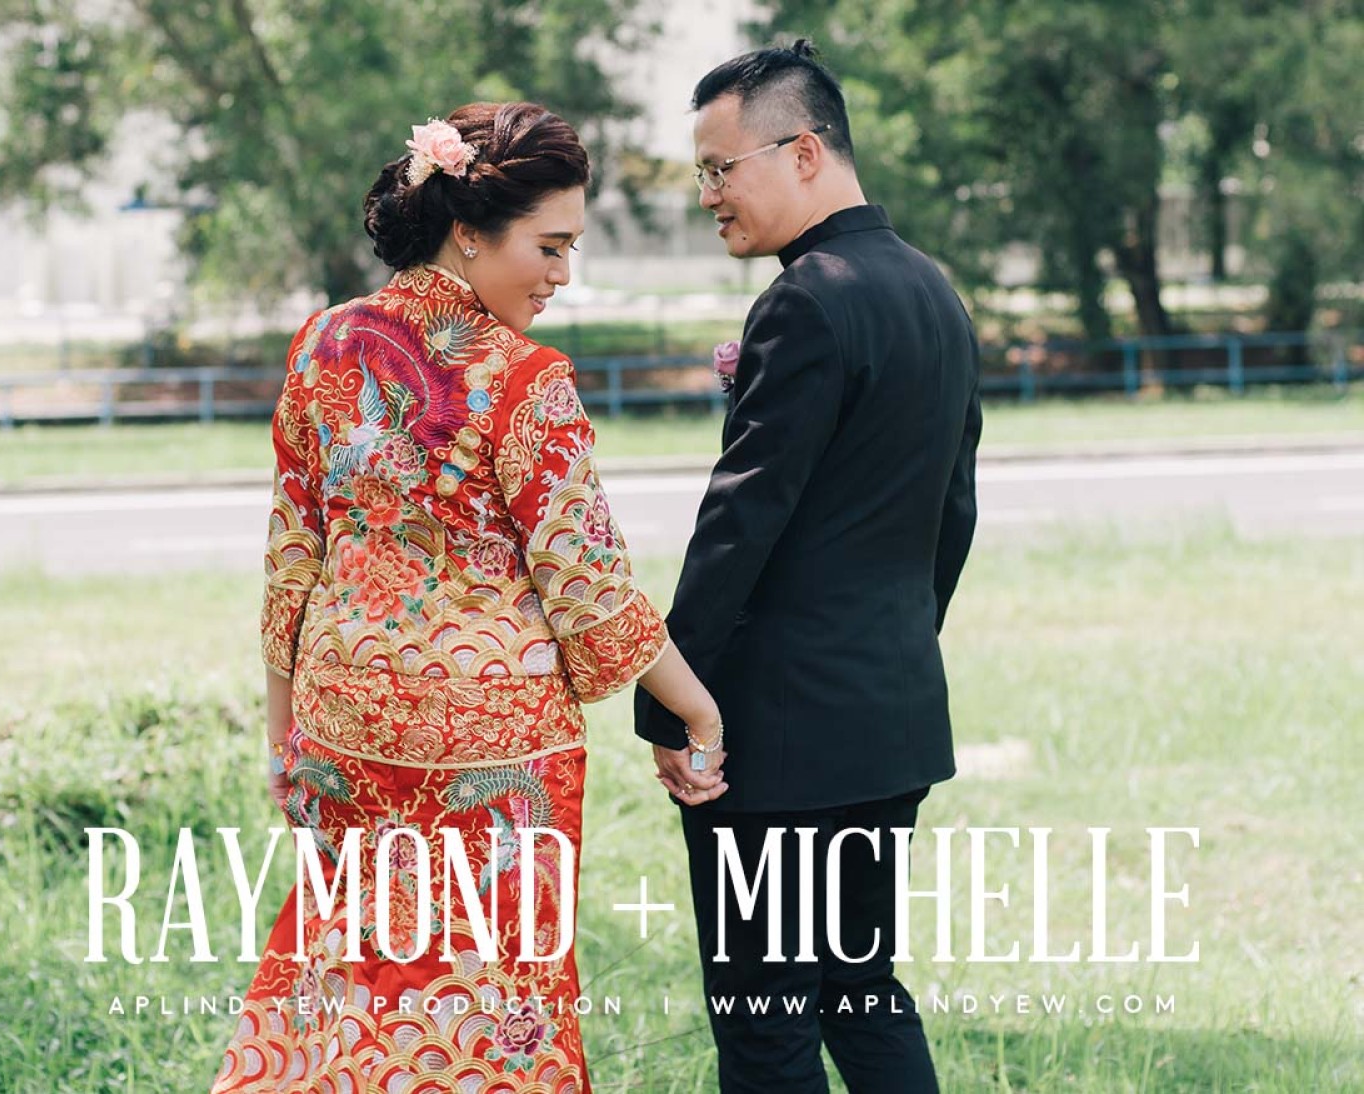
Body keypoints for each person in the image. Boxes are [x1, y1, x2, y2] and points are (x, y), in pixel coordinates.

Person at [211, 101, 726, 1094]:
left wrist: (283, 732)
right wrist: (698, 709)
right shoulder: (525, 378)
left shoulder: (323, 344)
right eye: (550, 246)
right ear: (468, 231)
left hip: (341, 725)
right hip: (491, 753)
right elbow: (587, 583)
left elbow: (292, 553)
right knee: (491, 1004)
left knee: (352, 987)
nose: (562, 274)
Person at [632, 42, 981, 1093]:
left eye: (720, 168)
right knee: (860, 991)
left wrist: (672, 705)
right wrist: (887, 654)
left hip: (780, 742)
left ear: (804, 152)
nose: (708, 195)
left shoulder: (806, 300)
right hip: (888, 718)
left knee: (767, 1025)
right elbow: (952, 514)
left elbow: (740, 523)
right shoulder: (934, 290)